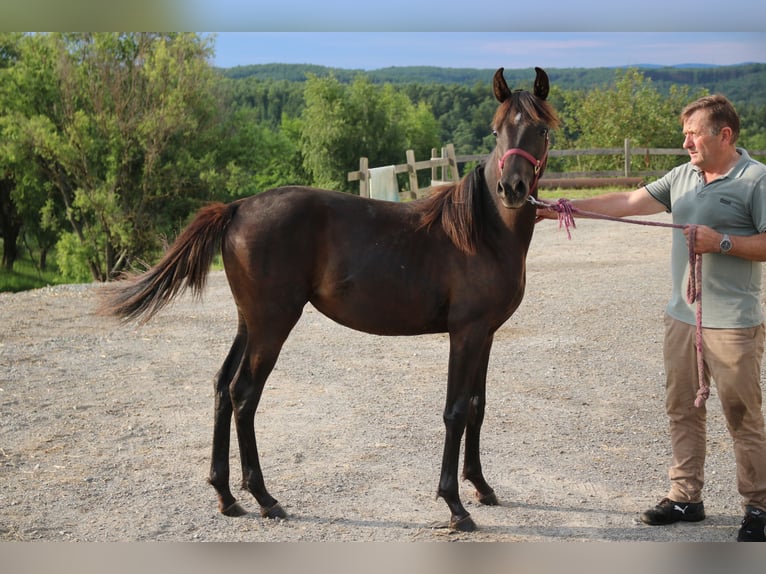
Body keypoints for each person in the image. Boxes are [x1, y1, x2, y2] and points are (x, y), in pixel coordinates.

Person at [536, 94, 766, 542]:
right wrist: (561, 207)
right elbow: (627, 200)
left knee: (743, 417)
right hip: (681, 318)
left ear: (724, 134)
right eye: (684, 134)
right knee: (682, 410)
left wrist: (722, 242)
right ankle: (686, 497)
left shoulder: (756, 180)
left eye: (693, 133)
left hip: (733, 324)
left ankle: (759, 508)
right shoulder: (683, 176)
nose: (685, 143)